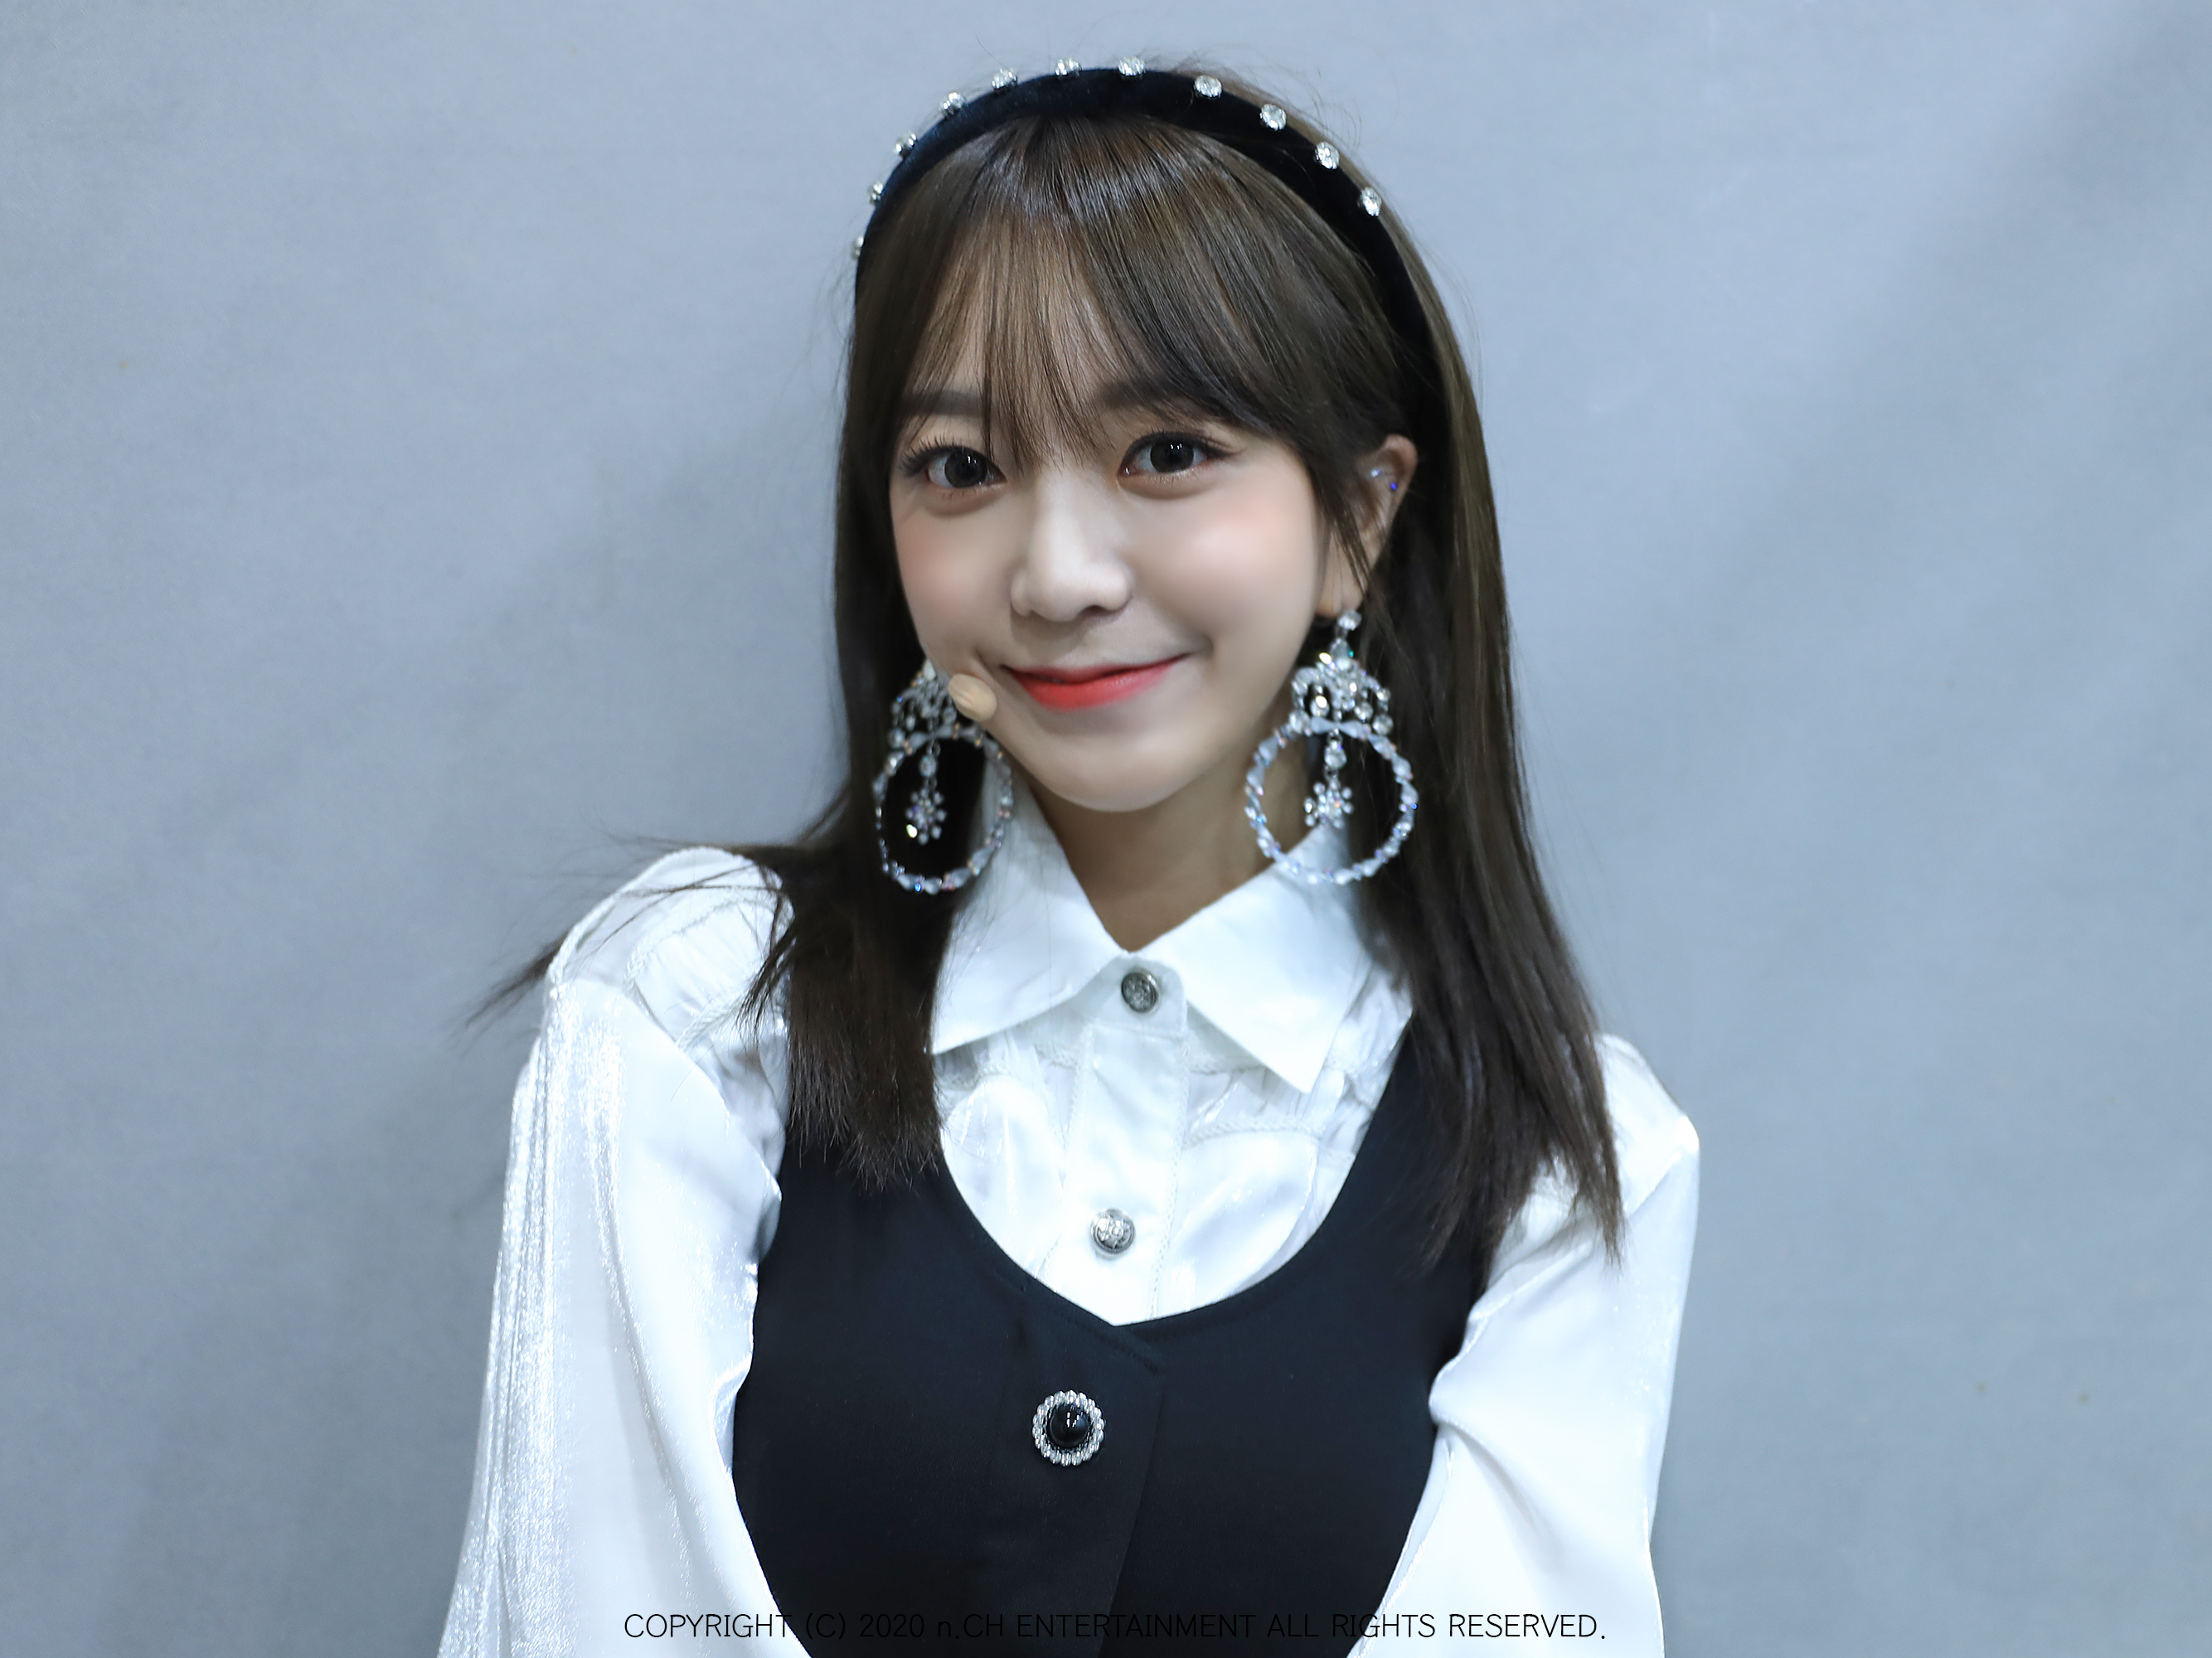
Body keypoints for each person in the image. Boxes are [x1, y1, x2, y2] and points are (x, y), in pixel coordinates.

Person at [438, 60, 1699, 1658]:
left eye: (1166, 451)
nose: (1056, 574)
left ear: (1360, 519)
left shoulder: (1562, 1160)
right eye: (961, 468)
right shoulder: (698, 1008)